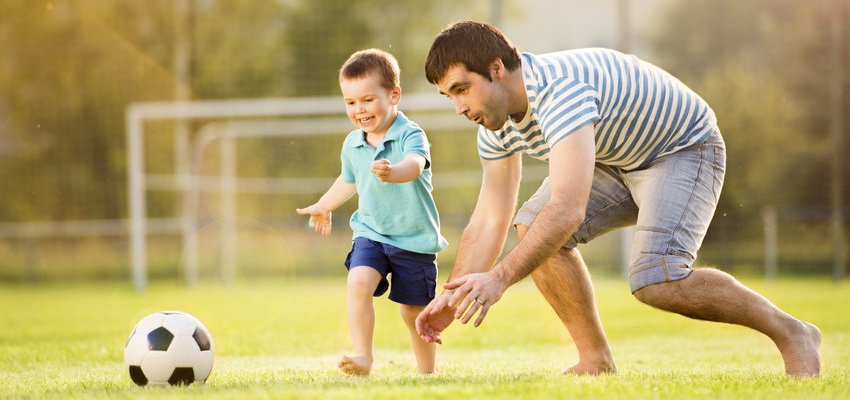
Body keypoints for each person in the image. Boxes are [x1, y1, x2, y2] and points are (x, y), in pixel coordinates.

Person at [414, 20, 821, 377]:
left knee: (657, 280)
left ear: (497, 69)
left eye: (462, 89)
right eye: (449, 96)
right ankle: (595, 360)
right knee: (531, 227)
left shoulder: (560, 93)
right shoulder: (493, 124)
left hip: (681, 148)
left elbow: (568, 210)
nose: (458, 107)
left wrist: (500, 278)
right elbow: (489, 218)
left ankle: (792, 331)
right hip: (615, 158)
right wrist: (455, 293)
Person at [297, 48, 448, 376]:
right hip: (371, 232)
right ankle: (363, 356)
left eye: (367, 100)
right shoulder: (352, 143)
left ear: (394, 95)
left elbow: (415, 164)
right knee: (359, 281)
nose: (359, 110)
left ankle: (426, 372)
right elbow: (348, 180)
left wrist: (393, 171)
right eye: (350, 102)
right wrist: (324, 205)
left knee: (413, 313)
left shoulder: (411, 134)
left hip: (414, 239)